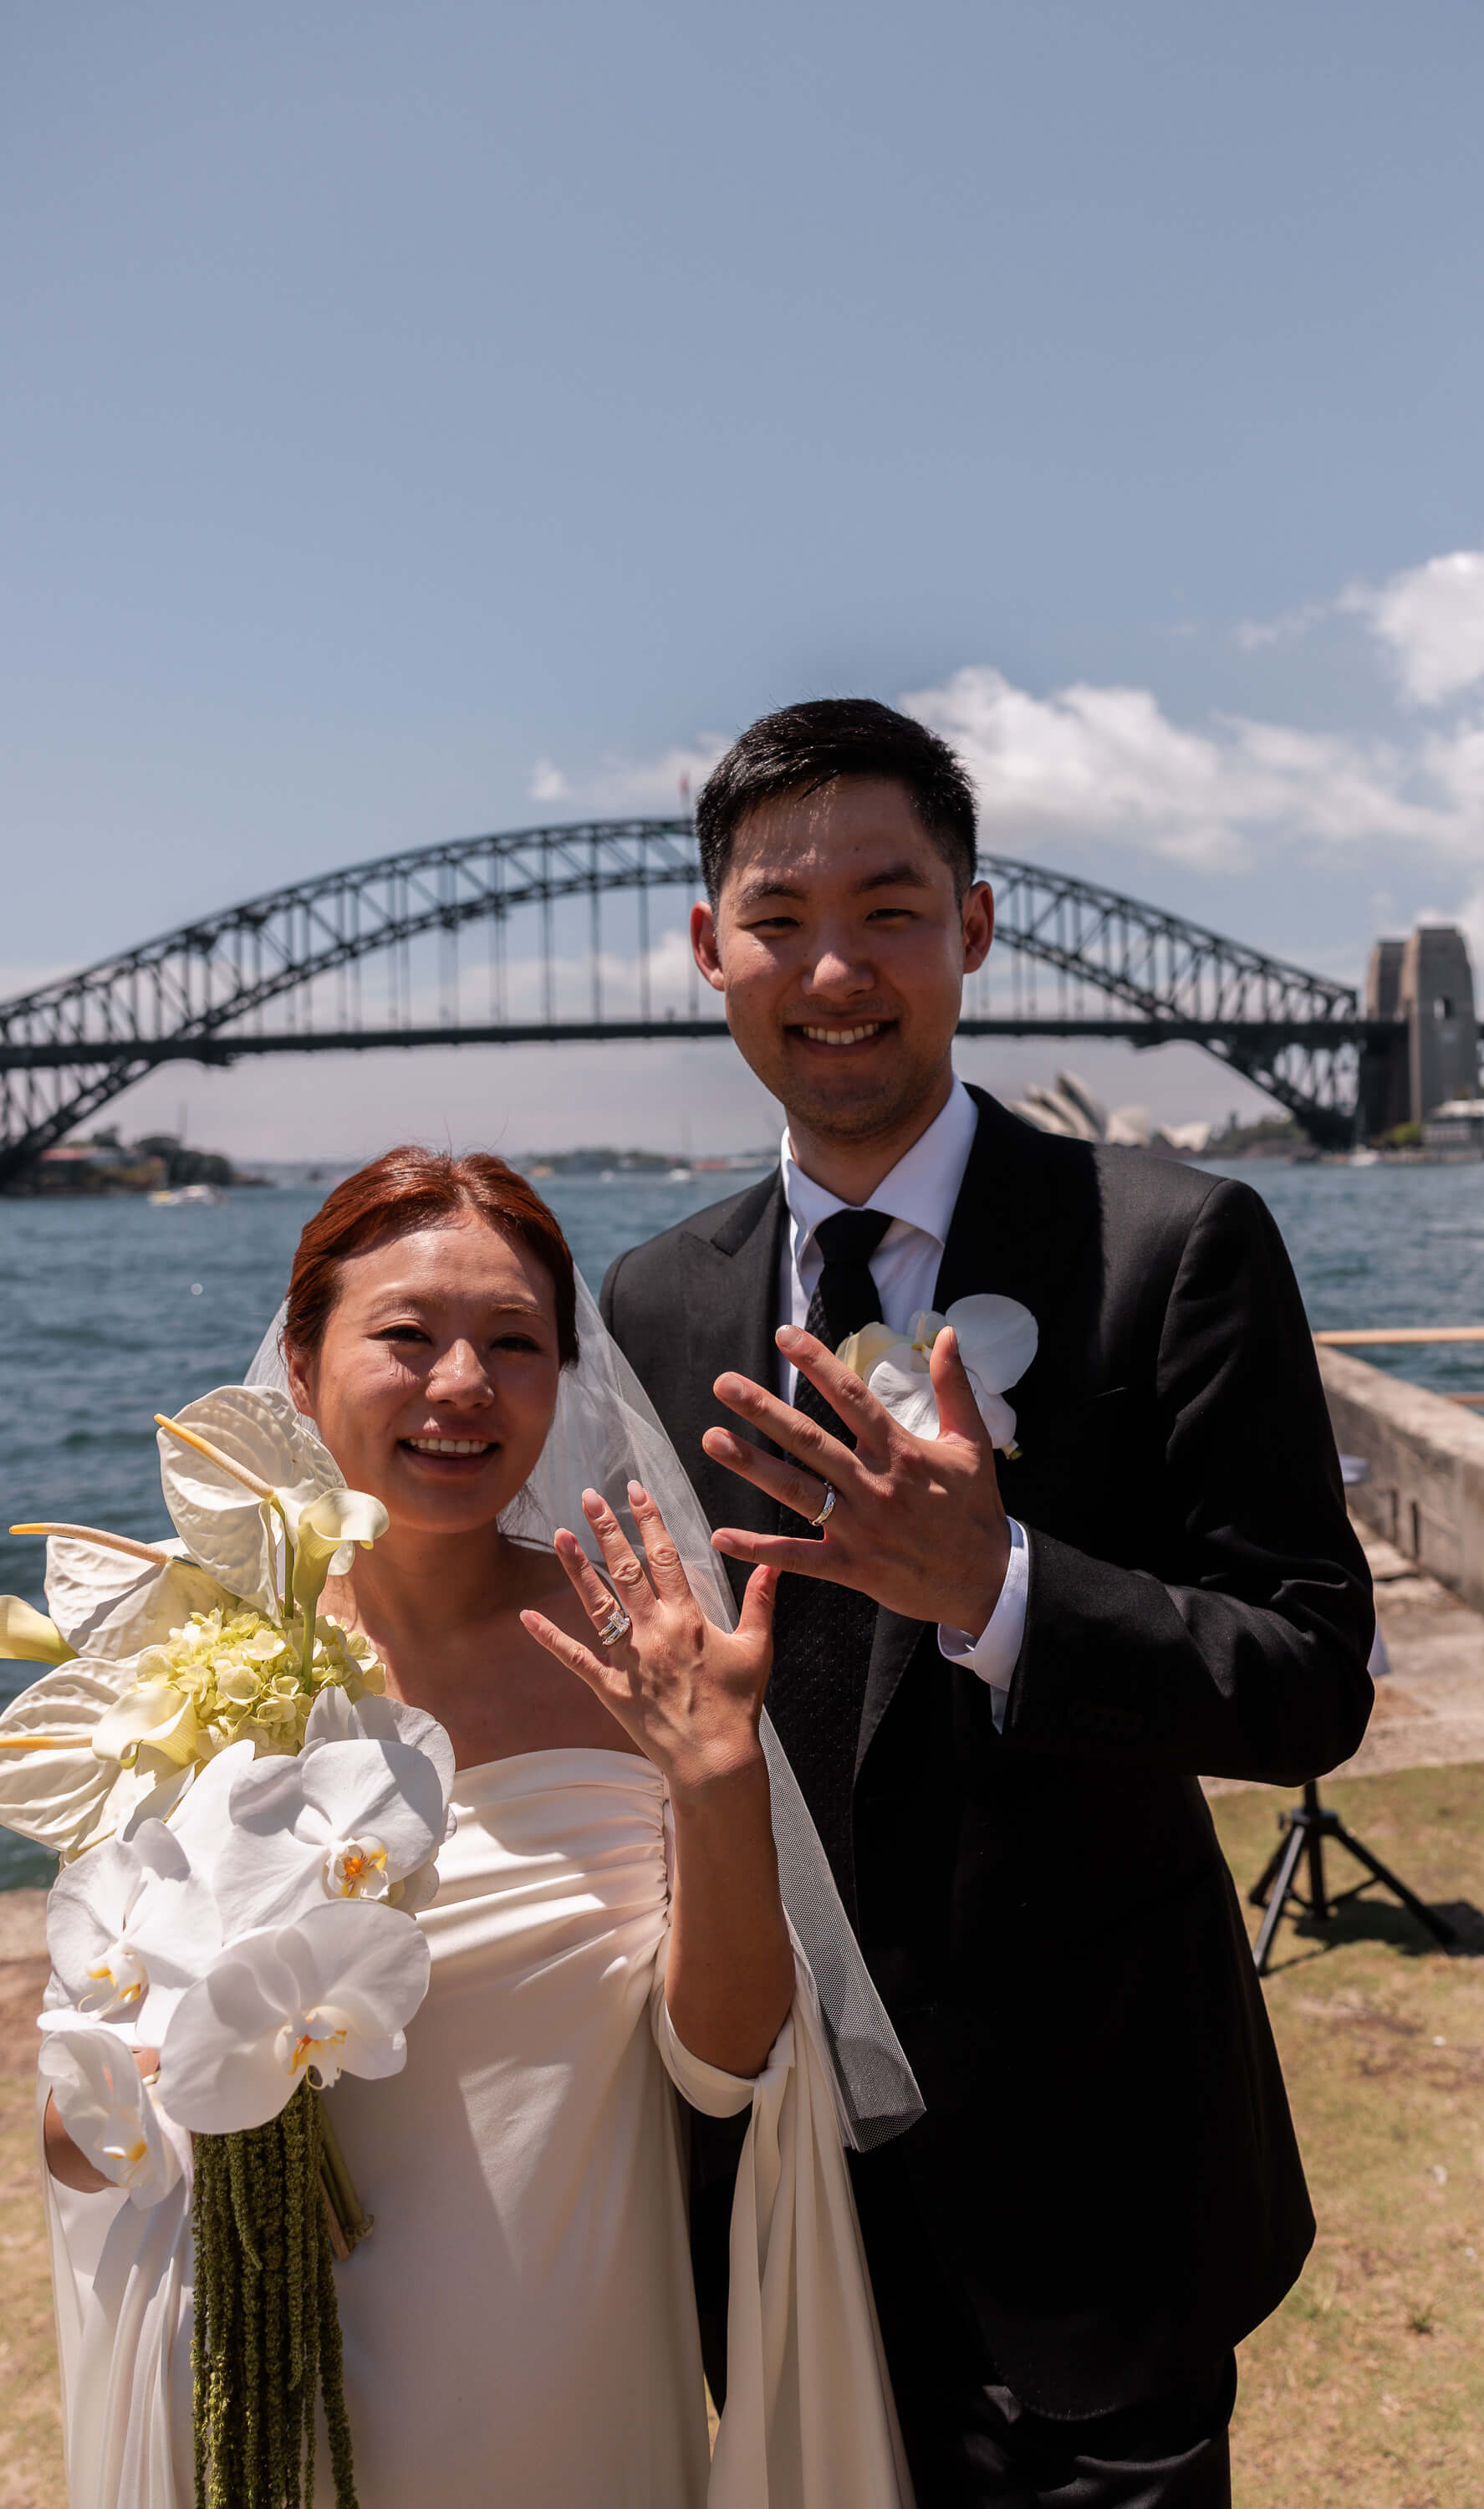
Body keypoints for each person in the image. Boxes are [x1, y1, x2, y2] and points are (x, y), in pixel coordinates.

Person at [601, 699, 1378, 2508]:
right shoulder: (649, 1303)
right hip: (780, 2188)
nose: (834, 967)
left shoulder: (1169, 1243)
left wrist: (1004, 1589)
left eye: (888, 908)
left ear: (973, 926)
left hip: (1095, 2180)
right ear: (708, 948)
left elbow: (1308, 1679)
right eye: (778, 918)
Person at [36, 1147, 914, 2509]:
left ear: (565, 1377)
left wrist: (716, 1774)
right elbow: (73, 2135)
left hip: (555, 2375)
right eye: (405, 1335)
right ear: (304, 1356)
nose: (462, 1385)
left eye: (515, 1343)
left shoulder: (638, 1654)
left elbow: (725, 2065)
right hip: (257, 2367)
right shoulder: (185, 1664)